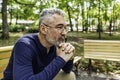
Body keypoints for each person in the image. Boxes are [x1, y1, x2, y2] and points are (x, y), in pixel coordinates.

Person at [2, 8, 76, 80]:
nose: (64, 33)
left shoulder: (54, 44)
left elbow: (67, 70)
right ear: (43, 29)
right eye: (59, 27)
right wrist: (60, 59)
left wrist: (69, 56)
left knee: (69, 76)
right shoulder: (25, 45)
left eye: (65, 28)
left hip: (39, 76)